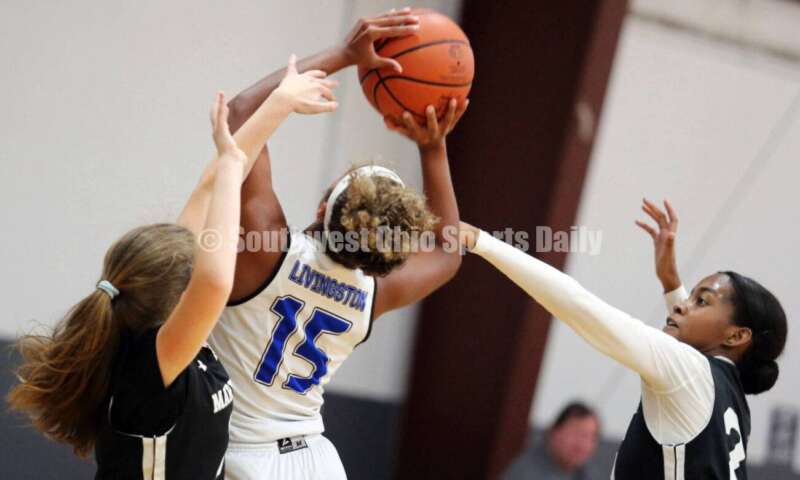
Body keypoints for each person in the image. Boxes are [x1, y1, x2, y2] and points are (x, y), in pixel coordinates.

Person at [7, 57, 337, 479]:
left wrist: (277, 106)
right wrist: (233, 163)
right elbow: (215, 283)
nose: (215, 252)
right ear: (182, 297)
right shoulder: (151, 365)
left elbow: (207, 189)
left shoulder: (159, 340)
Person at [208, 7, 468, 479]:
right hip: (318, 460)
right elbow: (449, 253)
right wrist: (434, 147)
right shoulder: (374, 294)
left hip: (246, 460)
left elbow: (242, 112)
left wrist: (346, 54)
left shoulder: (267, 251)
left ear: (326, 205)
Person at [458, 198, 787, 479]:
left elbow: (581, 306)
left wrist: (481, 242)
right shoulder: (734, 402)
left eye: (701, 301)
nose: (684, 307)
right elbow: (694, 345)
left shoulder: (690, 372)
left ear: (738, 335)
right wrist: (672, 283)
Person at [503, 402, 600, 480]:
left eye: (591, 437)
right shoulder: (526, 472)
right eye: (577, 433)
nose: (583, 445)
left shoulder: (586, 473)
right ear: (554, 432)